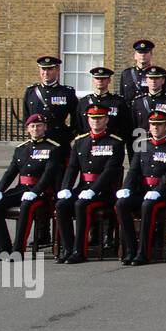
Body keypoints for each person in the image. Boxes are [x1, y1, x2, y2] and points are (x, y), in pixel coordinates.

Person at [53, 105, 125, 263]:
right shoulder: (80, 142)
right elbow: (72, 168)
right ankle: (68, 248)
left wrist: (93, 190)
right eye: (93, 118)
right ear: (88, 119)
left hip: (103, 191)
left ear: (106, 119)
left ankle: (80, 251)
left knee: (81, 205)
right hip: (83, 187)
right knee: (61, 205)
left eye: (99, 118)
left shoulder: (115, 143)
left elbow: (110, 172)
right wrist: (65, 188)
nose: (96, 121)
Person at [117, 111, 166, 266]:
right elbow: (134, 170)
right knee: (121, 204)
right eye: (153, 125)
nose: (156, 128)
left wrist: (158, 190)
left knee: (148, 206)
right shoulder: (143, 145)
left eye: (159, 125)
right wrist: (127, 187)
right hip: (143, 191)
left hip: (165, 194)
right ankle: (131, 249)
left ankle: (143, 253)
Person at [0, 114, 62, 255]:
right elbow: (10, 172)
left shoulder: (53, 148)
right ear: (28, 129)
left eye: (39, 125)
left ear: (45, 127)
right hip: (22, 189)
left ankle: (18, 251)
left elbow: (48, 174)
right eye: (32, 126)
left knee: (26, 206)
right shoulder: (21, 149)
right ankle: (4, 249)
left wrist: (36, 191)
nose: (36, 129)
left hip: (41, 192)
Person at [23, 55, 77, 146]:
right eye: (43, 69)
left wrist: (69, 135)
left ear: (57, 70)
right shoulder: (31, 92)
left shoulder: (66, 92)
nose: (46, 72)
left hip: (59, 139)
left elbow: (76, 118)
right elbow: (26, 118)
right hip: (37, 141)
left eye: (50, 69)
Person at [120, 39, 156, 104]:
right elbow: (122, 97)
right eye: (140, 52)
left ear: (151, 55)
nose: (143, 55)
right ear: (135, 56)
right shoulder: (126, 74)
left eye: (146, 52)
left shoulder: (156, 74)